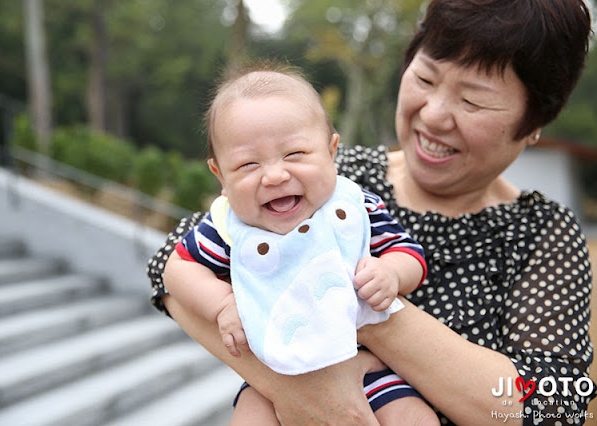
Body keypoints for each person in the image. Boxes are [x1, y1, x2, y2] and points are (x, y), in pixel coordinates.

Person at [147, 0, 595, 423]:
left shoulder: (541, 235)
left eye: (472, 100)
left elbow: (554, 407)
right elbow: (171, 264)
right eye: (425, 79)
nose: (434, 114)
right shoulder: (340, 175)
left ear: (533, 123)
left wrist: (363, 307)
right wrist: (290, 390)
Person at [165, 63, 438, 425]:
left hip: (368, 366)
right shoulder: (230, 229)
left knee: (416, 419)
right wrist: (223, 305)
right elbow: (178, 269)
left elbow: (410, 254)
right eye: (248, 165)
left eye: (294, 154)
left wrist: (391, 272)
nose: (275, 175)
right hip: (276, 372)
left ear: (331, 151)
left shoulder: (355, 208)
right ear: (220, 175)